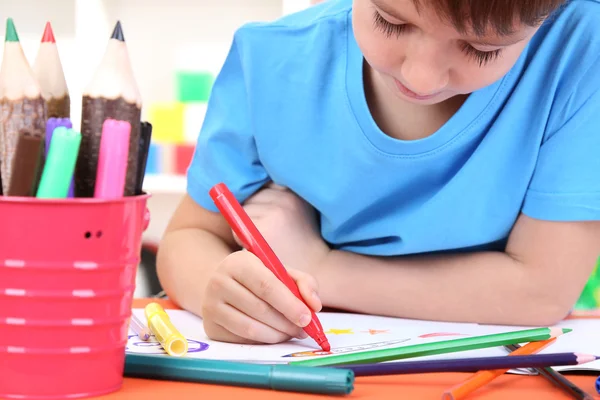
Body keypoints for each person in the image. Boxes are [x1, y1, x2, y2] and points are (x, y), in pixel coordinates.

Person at [157, 0, 600, 345]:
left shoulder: (580, 49)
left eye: (480, 48)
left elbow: (543, 289)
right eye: (391, 22)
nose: (422, 78)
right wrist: (217, 294)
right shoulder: (272, 59)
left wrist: (322, 268)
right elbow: (185, 239)